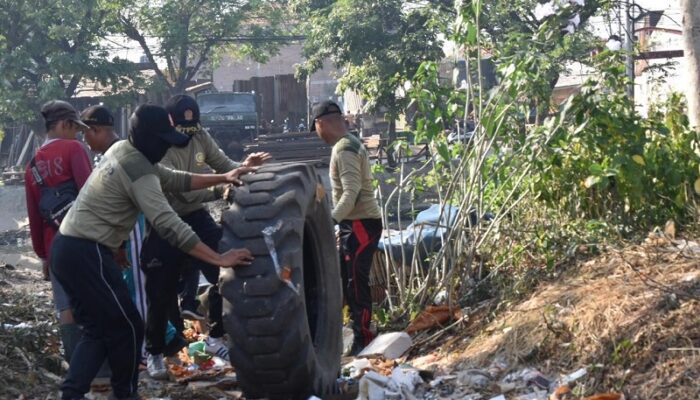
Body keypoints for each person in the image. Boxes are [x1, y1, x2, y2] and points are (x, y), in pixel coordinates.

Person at [51, 104, 254, 400]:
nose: (165, 147)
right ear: (147, 137)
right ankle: (125, 394)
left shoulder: (125, 151)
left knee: (98, 328)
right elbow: (168, 222)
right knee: (129, 326)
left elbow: (175, 179)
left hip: (68, 249)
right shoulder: (138, 169)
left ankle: (71, 394)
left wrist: (225, 176)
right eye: (162, 140)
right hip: (85, 252)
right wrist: (219, 257)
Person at [138, 94, 270, 380]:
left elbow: (224, 165)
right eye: (183, 129)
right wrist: (216, 189)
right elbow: (178, 187)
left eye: (193, 127)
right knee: (160, 290)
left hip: (196, 215)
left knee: (229, 271)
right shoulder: (159, 144)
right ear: (170, 124)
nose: (189, 134)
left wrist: (244, 167)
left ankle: (216, 337)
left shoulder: (200, 135)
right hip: (165, 219)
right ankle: (157, 352)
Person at [311, 100, 383, 356]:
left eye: (316, 129)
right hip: (354, 223)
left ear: (321, 124)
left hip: (361, 223)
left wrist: (329, 220)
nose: (318, 135)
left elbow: (351, 192)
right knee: (348, 280)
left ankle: (364, 337)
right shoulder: (348, 143)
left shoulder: (344, 148)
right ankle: (358, 332)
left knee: (355, 283)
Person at [24, 100, 93, 366]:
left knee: (65, 308)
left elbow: (34, 214)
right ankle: (96, 369)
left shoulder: (32, 164)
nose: (77, 134)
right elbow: (90, 195)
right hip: (82, 241)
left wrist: (42, 255)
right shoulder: (74, 148)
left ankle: (76, 367)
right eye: (75, 128)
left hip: (54, 248)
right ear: (64, 124)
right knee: (91, 302)